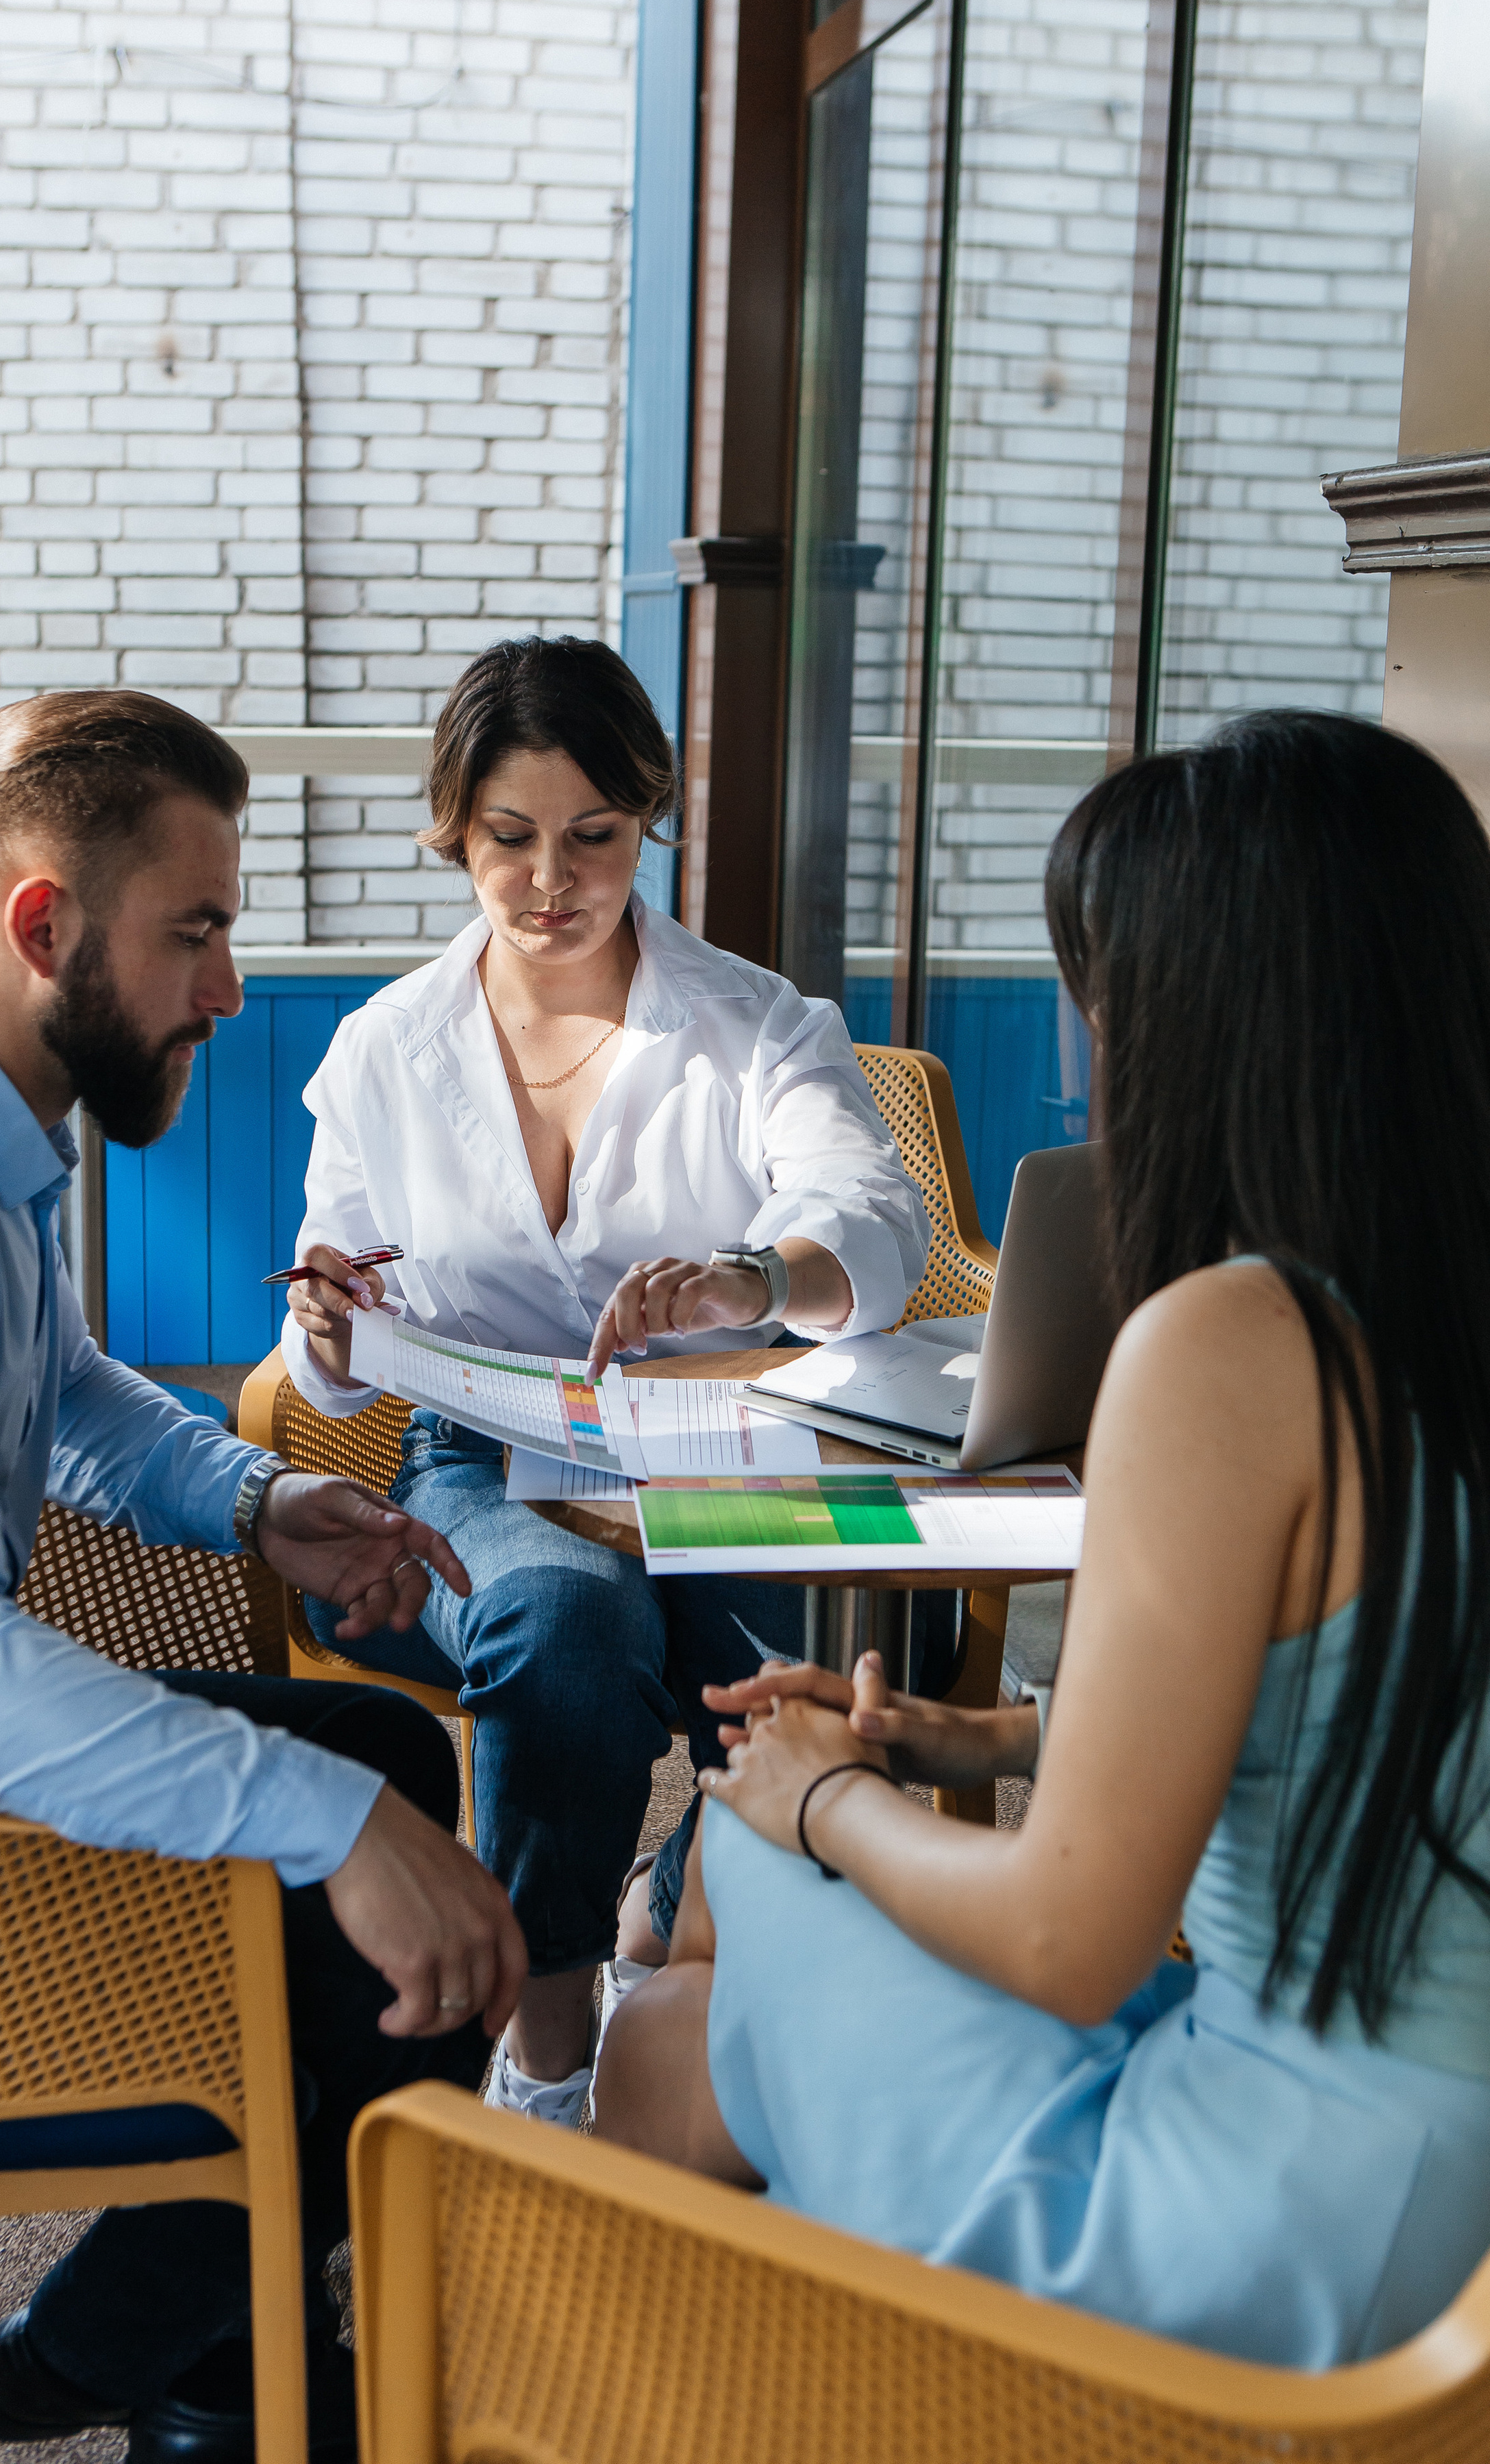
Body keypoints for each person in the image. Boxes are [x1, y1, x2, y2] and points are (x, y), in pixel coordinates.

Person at [595, 709, 1490, 2369]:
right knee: (736, 1943)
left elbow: (1070, 1941)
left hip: (1285, 2227)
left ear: (1200, 1016)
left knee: (715, 1907)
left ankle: (669, 2356)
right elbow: (1381, 1711)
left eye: (1091, 981)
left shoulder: (1231, 1343)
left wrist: (832, 1796)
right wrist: (982, 1733)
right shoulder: (1433, 1314)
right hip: (1445, 2194)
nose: (1078, 1039)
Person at [0, 688, 526, 2464]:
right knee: (361, 1890)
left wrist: (259, 1505)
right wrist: (320, 1824)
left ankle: (154, 2354)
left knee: (395, 1774)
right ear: (45, 926)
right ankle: (158, 2367)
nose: (230, 991)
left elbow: (70, 1392)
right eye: (202, 931)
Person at [280, 634, 932, 2126]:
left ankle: (661, 1911)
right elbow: (323, 1352)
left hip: (722, 1445)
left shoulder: (758, 1024)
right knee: (569, 1622)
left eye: (596, 837)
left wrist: (753, 1280)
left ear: (647, 823)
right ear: (454, 829)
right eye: (508, 839)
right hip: (481, 1458)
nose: (551, 881)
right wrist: (324, 1335)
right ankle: (552, 2042)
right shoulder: (383, 1051)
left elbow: (878, 1228)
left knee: (826, 1665)